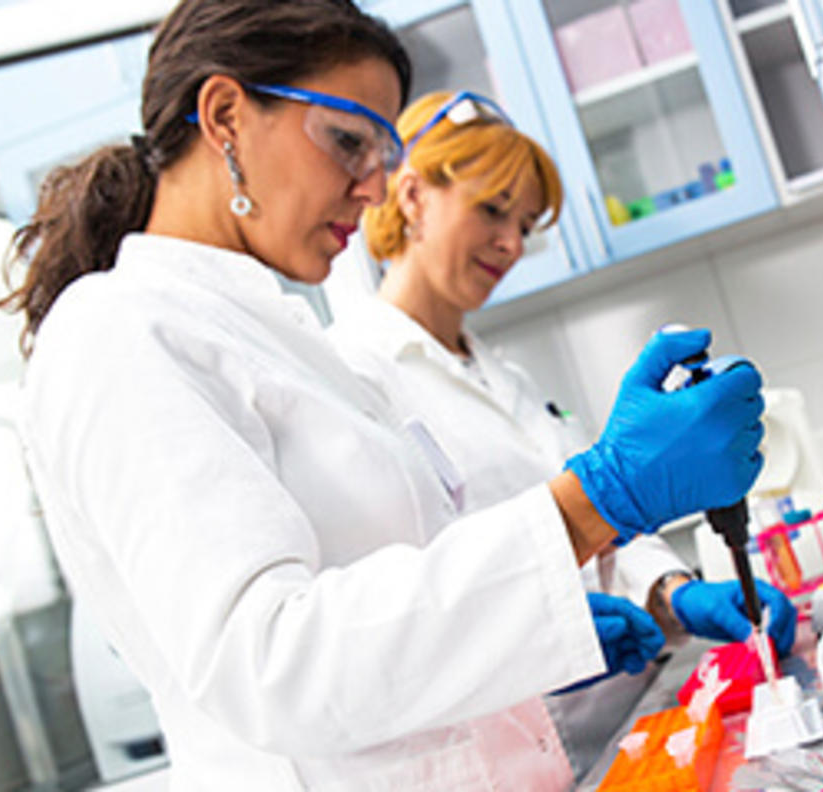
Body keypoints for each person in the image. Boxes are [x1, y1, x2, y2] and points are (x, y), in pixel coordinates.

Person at [0, 1, 765, 789]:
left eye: (382, 153)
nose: (375, 186)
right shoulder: (120, 332)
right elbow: (271, 663)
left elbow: (400, 602)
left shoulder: (286, 339)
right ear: (225, 116)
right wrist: (594, 500)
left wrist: (536, 632)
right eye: (350, 142)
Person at [328, 91, 797, 775]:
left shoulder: (505, 378)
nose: (513, 244)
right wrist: (533, 638)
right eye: (492, 210)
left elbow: (592, 526)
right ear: (410, 195)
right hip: (525, 751)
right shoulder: (356, 377)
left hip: (633, 724)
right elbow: (412, 606)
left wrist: (674, 592)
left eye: (525, 224)